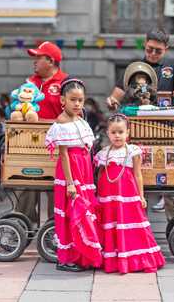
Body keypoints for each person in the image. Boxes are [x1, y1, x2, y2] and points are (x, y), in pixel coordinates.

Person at [106, 29, 174, 217]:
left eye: (158, 51)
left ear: (166, 49)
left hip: (167, 131)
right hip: (138, 130)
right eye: (150, 49)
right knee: (135, 177)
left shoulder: (173, 65)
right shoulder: (135, 67)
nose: (153, 54)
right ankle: (133, 223)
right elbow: (117, 94)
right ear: (144, 44)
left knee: (172, 178)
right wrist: (112, 100)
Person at [94, 114, 165, 273]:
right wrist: (98, 195)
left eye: (121, 132)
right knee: (111, 225)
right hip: (108, 196)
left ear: (127, 133)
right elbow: (100, 175)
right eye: (113, 132)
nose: (117, 136)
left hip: (127, 195)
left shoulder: (133, 151)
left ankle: (134, 259)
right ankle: (113, 260)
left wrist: (141, 196)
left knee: (129, 224)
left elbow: (138, 174)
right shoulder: (103, 153)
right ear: (108, 133)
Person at [44, 78, 102, 272]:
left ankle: (82, 254)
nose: (77, 104)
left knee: (84, 211)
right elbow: (64, 154)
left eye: (80, 100)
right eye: (73, 100)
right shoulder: (61, 122)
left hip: (83, 169)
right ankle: (66, 257)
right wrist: (70, 183)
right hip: (71, 170)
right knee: (72, 213)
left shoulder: (80, 119)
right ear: (63, 100)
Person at [15, 41, 69, 225]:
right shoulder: (30, 83)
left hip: (56, 146)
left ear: (51, 61)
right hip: (29, 144)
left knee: (56, 189)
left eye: (38, 58)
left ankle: (55, 230)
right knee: (25, 184)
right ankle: (23, 226)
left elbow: (74, 113)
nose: (34, 61)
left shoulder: (66, 82)